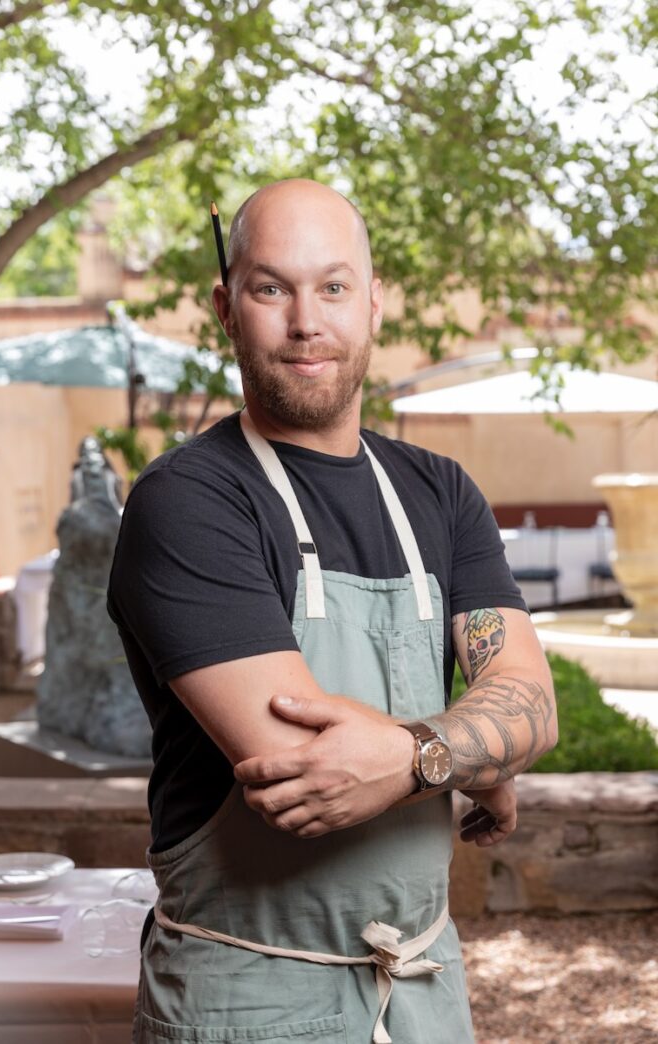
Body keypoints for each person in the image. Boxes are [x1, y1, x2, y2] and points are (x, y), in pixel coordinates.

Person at [107, 178, 557, 1044]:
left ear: (374, 305)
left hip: (425, 990)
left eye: (334, 287)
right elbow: (310, 776)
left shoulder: (441, 492)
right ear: (226, 307)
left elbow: (533, 704)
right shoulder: (187, 503)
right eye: (271, 288)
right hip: (248, 996)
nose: (306, 320)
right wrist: (475, 758)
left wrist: (436, 754)